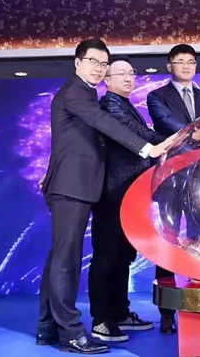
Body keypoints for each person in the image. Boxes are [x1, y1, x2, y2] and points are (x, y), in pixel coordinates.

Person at [37, 39, 173, 354]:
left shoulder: (86, 93)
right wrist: (147, 148)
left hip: (78, 185)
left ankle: (48, 327)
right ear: (77, 62)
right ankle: (71, 332)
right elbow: (103, 122)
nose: (99, 69)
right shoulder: (76, 92)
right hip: (70, 186)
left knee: (59, 259)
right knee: (66, 262)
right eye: (93, 62)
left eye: (103, 64)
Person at [88, 56, 163, 342]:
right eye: (121, 74)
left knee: (122, 256)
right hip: (112, 195)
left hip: (128, 194)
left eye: (131, 73)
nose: (129, 78)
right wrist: (176, 139)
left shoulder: (125, 104)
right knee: (107, 257)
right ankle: (101, 320)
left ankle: (119, 312)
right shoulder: (110, 105)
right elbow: (141, 135)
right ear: (107, 80)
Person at [146, 44, 200, 334]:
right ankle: (167, 313)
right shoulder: (156, 96)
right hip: (170, 178)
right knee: (169, 239)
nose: (186, 66)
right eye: (180, 61)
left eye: (191, 62)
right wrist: (192, 134)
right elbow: (165, 123)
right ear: (169, 66)